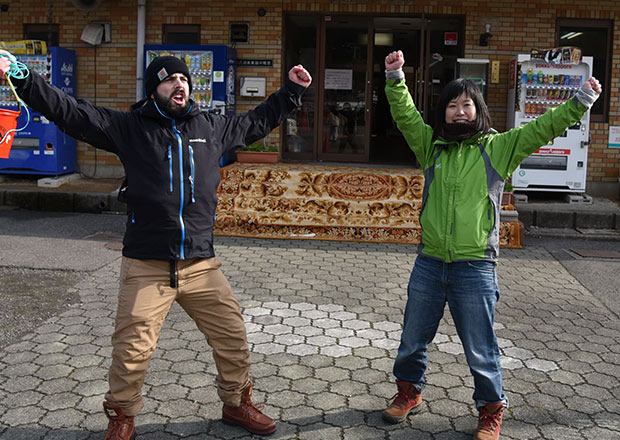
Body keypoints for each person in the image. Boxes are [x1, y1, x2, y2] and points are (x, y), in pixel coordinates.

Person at [0, 49, 311, 439]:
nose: (179, 84)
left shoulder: (211, 127)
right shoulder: (130, 128)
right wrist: (21, 74)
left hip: (201, 264)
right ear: (153, 91)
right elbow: (70, 112)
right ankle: (122, 416)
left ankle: (237, 404)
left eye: (183, 79)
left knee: (233, 338)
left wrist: (292, 91)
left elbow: (256, 122)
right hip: (146, 264)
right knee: (131, 352)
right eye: (169, 79)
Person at [382, 50, 600, 440]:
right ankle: (408, 393)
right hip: (429, 263)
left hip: (475, 267)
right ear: (444, 113)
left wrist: (579, 102)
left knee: (481, 348)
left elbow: (542, 128)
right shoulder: (431, 147)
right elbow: (406, 117)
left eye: (467, 104)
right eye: (452, 105)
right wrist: (397, 78)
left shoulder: (498, 148)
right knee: (413, 339)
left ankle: (490, 410)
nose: (459, 111)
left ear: (479, 110)